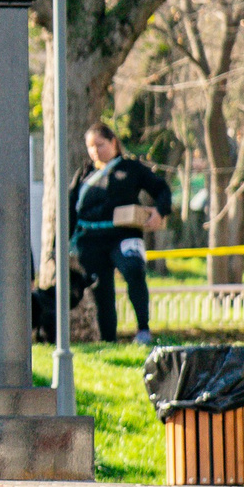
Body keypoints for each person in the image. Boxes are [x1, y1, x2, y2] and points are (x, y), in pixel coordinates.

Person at [68, 123, 174, 345]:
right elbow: (69, 208)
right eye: (91, 146)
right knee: (101, 290)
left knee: (133, 270)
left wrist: (160, 211)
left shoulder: (131, 168)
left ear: (113, 142)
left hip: (124, 235)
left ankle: (143, 330)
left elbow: (161, 189)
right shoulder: (85, 173)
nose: (96, 150)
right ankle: (108, 341)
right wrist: (60, 245)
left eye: (100, 144)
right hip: (91, 240)